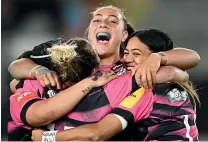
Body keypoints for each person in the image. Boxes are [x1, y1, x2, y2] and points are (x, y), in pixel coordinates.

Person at [8, 5, 200, 141]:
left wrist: (161, 61)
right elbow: (17, 69)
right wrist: (38, 70)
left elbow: (183, 64)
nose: (103, 24)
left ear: (124, 34)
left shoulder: (129, 68)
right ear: (89, 30)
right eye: (97, 20)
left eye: (112, 21)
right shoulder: (69, 57)